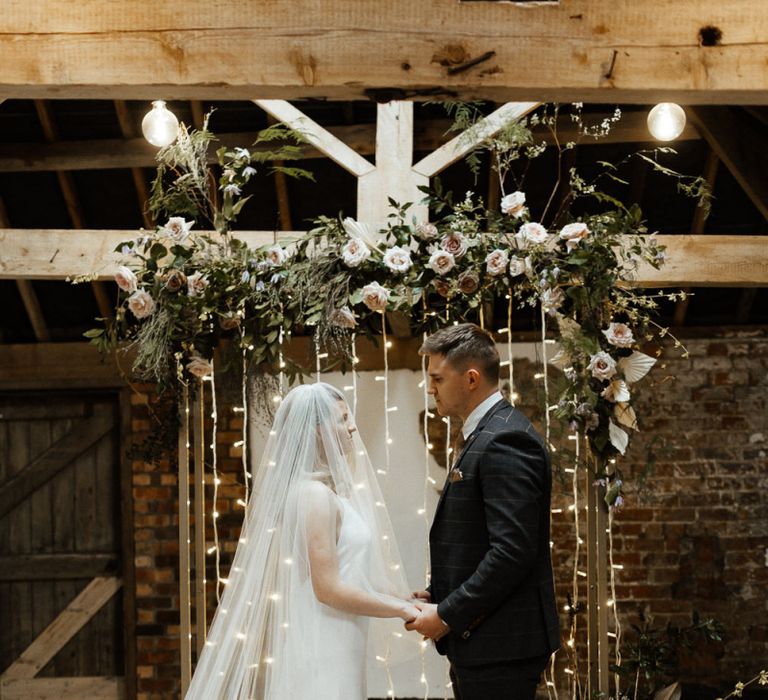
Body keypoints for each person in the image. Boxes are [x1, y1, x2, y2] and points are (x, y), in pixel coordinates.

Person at [185, 382, 419, 700]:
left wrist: (412, 601)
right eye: (343, 418)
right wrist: (401, 609)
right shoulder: (313, 496)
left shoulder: (330, 494)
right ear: (317, 430)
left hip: (342, 641)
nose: (352, 427)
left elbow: (359, 574)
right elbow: (328, 588)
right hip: (322, 643)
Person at [407, 323, 560, 700]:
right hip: (487, 639)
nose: (431, 389)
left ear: (471, 378)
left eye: (438, 378)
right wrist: (438, 595)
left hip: (501, 645)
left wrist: (445, 615)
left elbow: (511, 552)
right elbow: (477, 539)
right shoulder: (487, 431)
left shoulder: (505, 439)